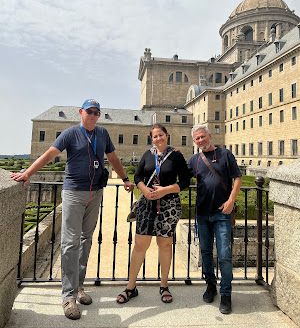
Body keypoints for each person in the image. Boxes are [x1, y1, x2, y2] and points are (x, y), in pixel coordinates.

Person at [11, 99, 134, 320]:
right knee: (69, 242)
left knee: (86, 240)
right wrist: (28, 173)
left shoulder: (103, 133)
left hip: (95, 192)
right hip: (74, 193)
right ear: (81, 112)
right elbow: (49, 154)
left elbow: (113, 157)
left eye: (97, 112)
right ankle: (68, 296)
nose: (94, 115)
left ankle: (78, 287)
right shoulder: (70, 133)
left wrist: (125, 178)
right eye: (90, 111)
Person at [116, 124, 190, 305]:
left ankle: (164, 285)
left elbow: (186, 181)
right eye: (155, 136)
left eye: (161, 135)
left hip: (169, 205)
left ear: (167, 135)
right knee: (140, 245)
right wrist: (144, 190)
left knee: (164, 245)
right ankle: (130, 287)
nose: (159, 138)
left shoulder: (177, 156)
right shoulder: (148, 154)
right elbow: (138, 177)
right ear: (152, 139)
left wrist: (166, 190)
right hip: (147, 205)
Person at [188, 125, 242, 314]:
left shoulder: (225, 154)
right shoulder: (194, 159)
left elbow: (237, 178)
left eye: (203, 137)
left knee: (224, 254)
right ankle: (211, 285)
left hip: (222, 212)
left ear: (210, 136)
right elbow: (181, 177)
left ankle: (226, 293)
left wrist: (231, 200)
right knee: (205, 252)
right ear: (194, 142)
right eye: (197, 139)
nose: (201, 140)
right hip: (202, 213)